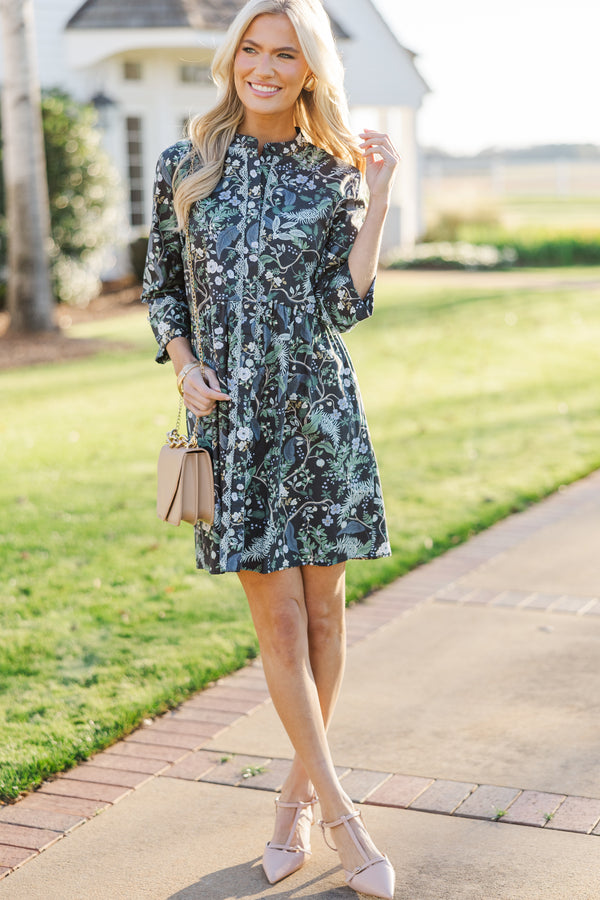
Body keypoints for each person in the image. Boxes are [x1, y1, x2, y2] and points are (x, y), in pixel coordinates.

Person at [142, 0, 399, 896]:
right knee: (280, 623)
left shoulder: (333, 174)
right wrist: (182, 364)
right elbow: (163, 289)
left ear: (309, 68)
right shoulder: (187, 164)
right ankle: (344, 818)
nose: (262, 65)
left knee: (326, 619)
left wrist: (378, 197)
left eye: (282, 53)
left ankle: (292, 802)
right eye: (250, 48)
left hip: (319, 416)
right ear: (233, 57)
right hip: (237, 429)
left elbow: (344, 305)